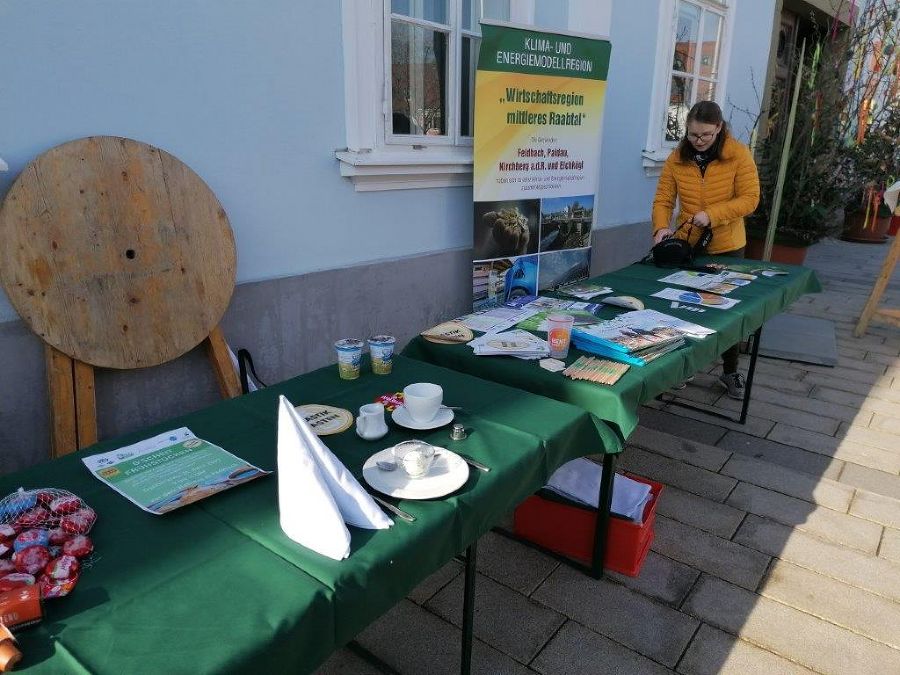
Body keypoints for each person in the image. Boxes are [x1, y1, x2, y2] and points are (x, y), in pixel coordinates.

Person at [651, 101, 760, 399]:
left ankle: (730, 371)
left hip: (728, 246)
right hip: (689, 244)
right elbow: (663, 198)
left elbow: (750, 199)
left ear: (719, 129)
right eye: (693, 134)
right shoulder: (678, 157)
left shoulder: (738, 154)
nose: (698, 141)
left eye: (706, 135)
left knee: (729, 313)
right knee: (684, 304)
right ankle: (682, 368)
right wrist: (661, 228)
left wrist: (712, 214)